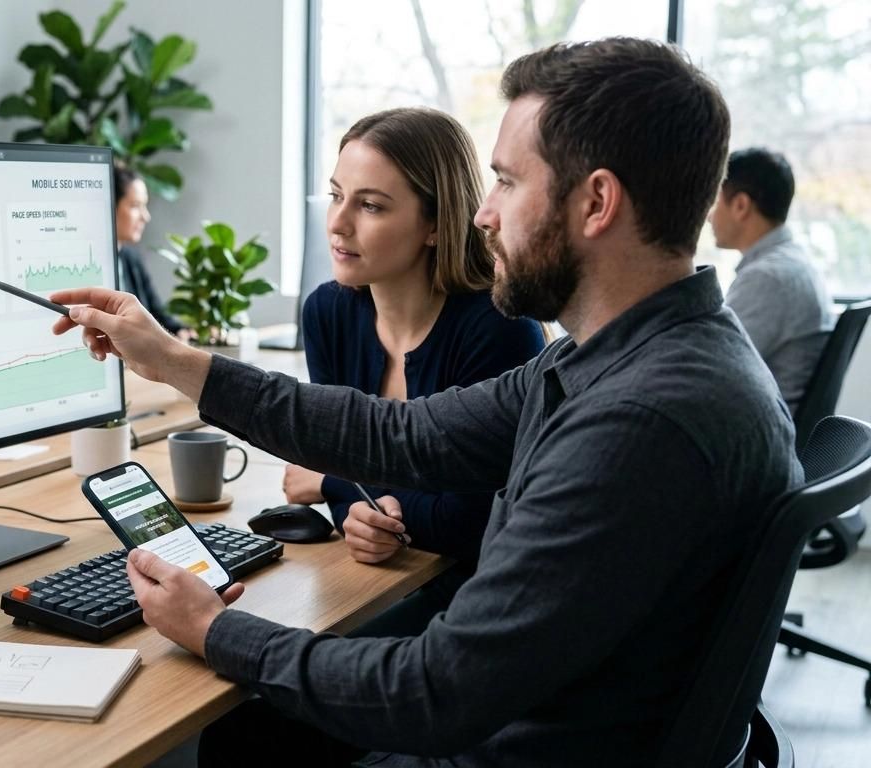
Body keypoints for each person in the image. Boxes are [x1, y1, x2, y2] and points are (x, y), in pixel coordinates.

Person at [48, 37, 801, 766]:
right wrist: (176, 361)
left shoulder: (641, 421)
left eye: (507, 181)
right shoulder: (634, 357)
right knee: (252, 736)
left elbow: (433, 695)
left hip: (507, 748)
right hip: (554, 727)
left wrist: (219, 629)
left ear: (596, 202)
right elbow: (403, 437)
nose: (484, 213)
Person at [285, 107, 544, 563]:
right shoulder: (327, 313)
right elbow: (341, 466)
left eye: (370, 206)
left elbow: (470, 522)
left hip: (470, 591)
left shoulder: (501, 329)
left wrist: (331, 484)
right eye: (335, 195)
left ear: (436, 225)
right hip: (383, 576)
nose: (337, 223)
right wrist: (359, 514)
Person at [709, 147, 833, 412]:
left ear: (741, 205)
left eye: (715, 202)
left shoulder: (768, 279)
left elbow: (711, 368)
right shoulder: (794, 263)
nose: (709, 215)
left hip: (760, 434)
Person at [113, 164, 190, 339]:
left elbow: (158, 317)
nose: (145, 216)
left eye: (144, 206)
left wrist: (182, 331)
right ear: (110, 207)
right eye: (135, 206)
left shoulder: (131, 258)